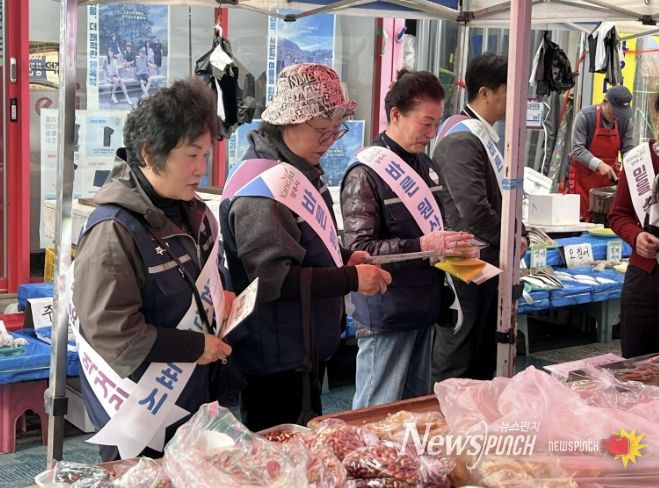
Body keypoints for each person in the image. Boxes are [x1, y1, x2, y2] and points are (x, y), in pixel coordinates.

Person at [220, 63, 392, 431]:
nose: (330, 140)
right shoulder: (263, 189)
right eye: (321, 130)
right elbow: (272, 280)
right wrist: (350, 278)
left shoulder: (299, 169)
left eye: (336, 130)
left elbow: (307, 244)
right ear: (288, 121)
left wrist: (344, 258)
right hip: (276, 354)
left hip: (302, 347)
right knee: (279, 448)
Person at [71, 78, 233, 461]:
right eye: (191, 155)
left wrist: (222, 298)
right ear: (148, 152)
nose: (201, 169)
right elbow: (113, 331)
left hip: (194, 398)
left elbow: (206, 280)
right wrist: (194, 347)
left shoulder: (195, 212)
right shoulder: (114, 230)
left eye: (205, 155)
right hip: (139, 410)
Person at [341, 69, 479, 409]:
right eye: (426, 123)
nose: (431, 134)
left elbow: (437, 227)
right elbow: (360, 250)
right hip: (388, 312)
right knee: (376, 411)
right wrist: (422, 246)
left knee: (414, 412)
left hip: (425, 307)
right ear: (395, 115)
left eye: (437, 124)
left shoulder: (426, 165)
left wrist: (456, 248)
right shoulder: (365, 172)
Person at [431, 53, 528, 382]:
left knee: (483, 354)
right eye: (509, 90)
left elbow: (503, 199)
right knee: (462, 355)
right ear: (485, 93)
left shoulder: (482, 137)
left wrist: (521, 233)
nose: (517, 100)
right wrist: (513, 239)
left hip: (485, 258)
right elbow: (474, 210)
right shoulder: (462, 138)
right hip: (464, 261)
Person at [609, 92, 659, 358]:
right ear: (655, 116)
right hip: (644, 276)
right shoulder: (639, 160)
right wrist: (636, 236)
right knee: (636, 365)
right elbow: (618, 214)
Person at [570, 84, 635, 221]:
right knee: (582, 220)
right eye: (616, 111)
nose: (618, 116)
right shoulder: (585, 116)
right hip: (582, 181)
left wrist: (632, 168)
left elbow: (628, 150)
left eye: (622, 112)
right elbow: (577, 149)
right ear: (605, 102)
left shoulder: (625, 121)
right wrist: (599, 164)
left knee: (607, 220)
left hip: (609, 181)